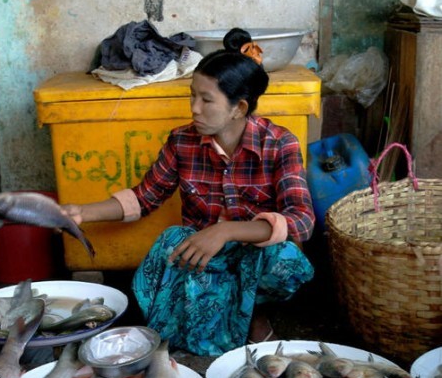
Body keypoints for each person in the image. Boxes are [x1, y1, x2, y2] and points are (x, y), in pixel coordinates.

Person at [63, 29, 315, 355]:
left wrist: (226, 231)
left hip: (253, 258)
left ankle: (255, 314)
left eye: (206, 100)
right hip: (203, 260)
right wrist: (81, 212)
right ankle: (210, 321)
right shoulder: (182, 141)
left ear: (238, 108)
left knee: (286, 259)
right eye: (192, 96)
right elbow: (145, 197)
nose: (194, 108)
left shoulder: (280, 142)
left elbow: (301, 221)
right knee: (171, 241)